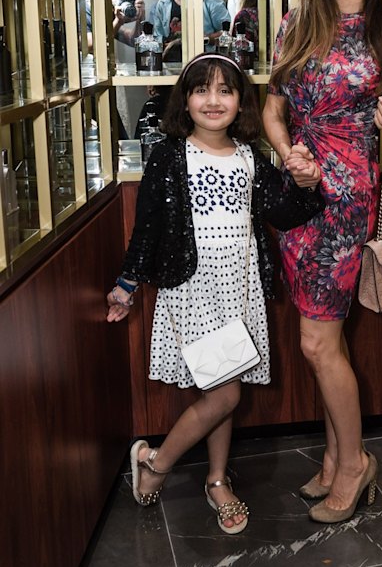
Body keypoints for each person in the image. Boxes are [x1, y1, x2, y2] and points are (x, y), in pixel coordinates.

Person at [106, 52, 323, 533]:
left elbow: (284, 213)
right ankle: (157, 462)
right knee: (224, 394)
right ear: (184, 100)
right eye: (202, 89)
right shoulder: (168, 155)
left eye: (226, 90)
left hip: (239, 292)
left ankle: (218, 479)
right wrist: (126, 284)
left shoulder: (251, 157)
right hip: (193, 292)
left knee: (225, 389)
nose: (213, 100)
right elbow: (147, 228)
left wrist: (307, 186)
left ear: (240, 102)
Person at [262, 0, 382, 524]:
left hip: (346, 203)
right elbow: (275, 109)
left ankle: (354, 465)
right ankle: (333, 458)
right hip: (298, 196)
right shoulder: (295, 22)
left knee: (316, 342)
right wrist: (287, 154)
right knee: (317, 341)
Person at [151, 0, 230, 60]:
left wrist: (204, 39)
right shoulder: (162, 3)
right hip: (171, 62)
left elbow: (227, 33)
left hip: (203, 60)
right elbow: (158, 38)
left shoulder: (212, 1)